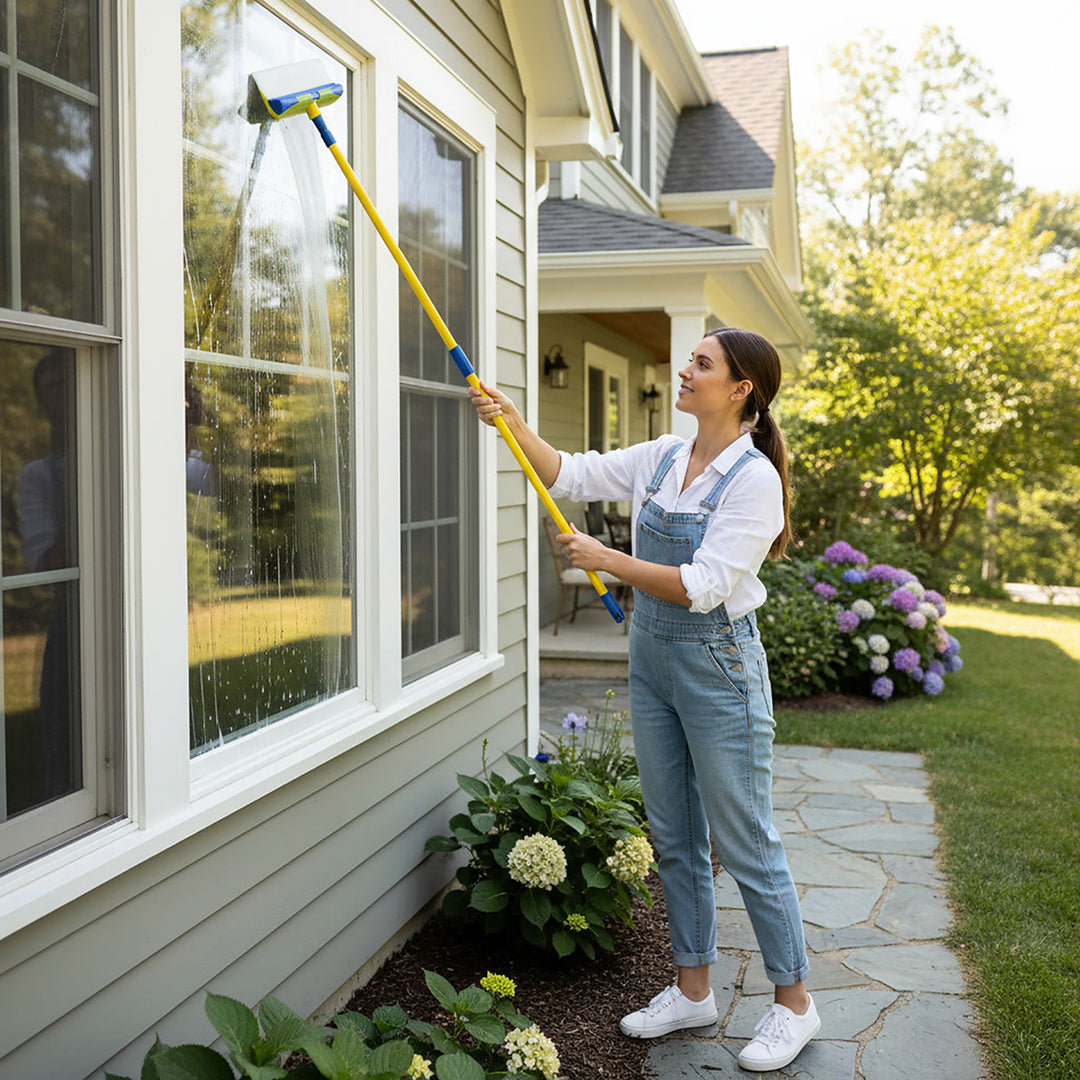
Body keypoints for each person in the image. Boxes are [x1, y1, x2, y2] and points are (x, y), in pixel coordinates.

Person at [469, 327, 819, 1072]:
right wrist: (510, 419)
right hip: (652, 663)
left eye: (702, 364)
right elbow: (567, 474)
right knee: (674, 836)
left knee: (747, 841)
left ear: (740, 389)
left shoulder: (753, 479)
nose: (685, 371)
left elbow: (704, 585)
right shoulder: (665, 454)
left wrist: (607, 560)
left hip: (718, 666)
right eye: (690, 359)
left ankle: (795, 1005)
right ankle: (694, 989)